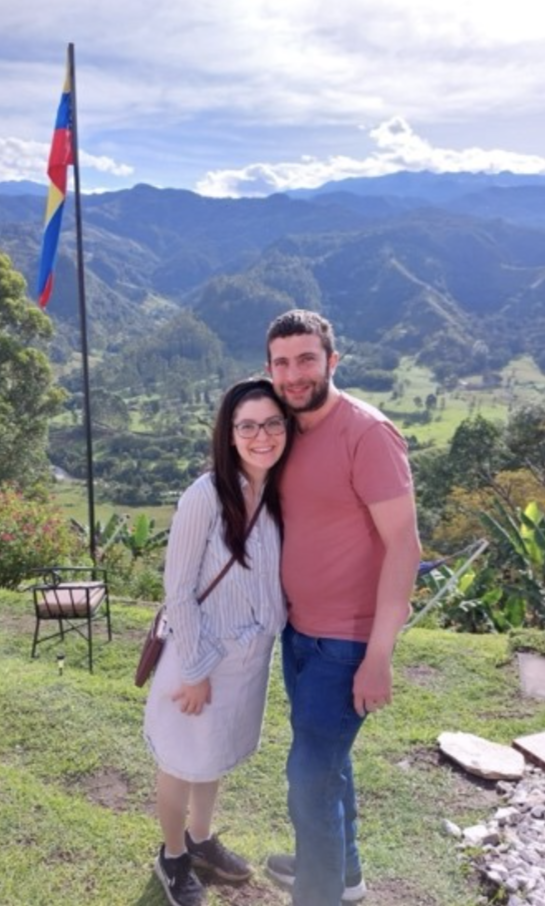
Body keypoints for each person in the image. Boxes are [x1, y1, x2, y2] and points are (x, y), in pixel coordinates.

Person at [263, 309, 421, 906]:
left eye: (306, 359)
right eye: (281, 363)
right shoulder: (287, 429)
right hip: (299, 634)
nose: (294, 374)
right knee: (327, 761)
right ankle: (339, 872)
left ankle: (319, 890)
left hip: (347, 643)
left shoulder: (367, 433)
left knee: (308, 775)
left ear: (332, 361)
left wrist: (379, 656)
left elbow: (405, 545)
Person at [144, 378, 292, 906]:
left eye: (272, 423)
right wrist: (195, 670)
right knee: (181, 759)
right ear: (229, 434)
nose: (261, 436)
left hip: (248, 660)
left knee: (213, 755)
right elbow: (179, 590)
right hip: (199, 656)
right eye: (247, 426)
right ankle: (172, 855)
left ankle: (201, 840)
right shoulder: (205, 496)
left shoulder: (278, 494)